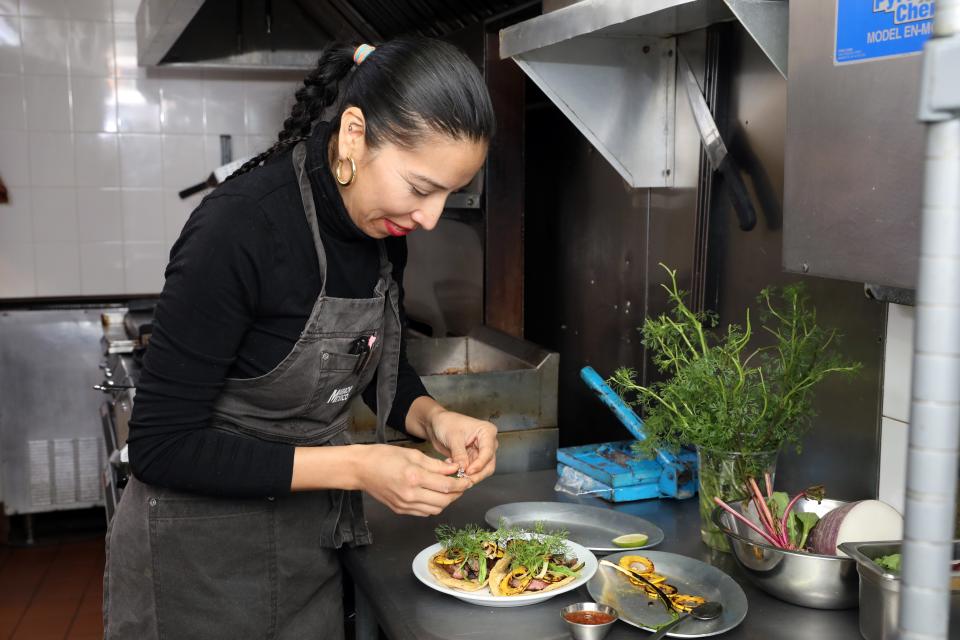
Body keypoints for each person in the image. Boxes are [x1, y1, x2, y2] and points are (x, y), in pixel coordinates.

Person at [103, 37, 499, 640]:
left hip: (303, 553)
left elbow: (370, 362)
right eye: (421, 189)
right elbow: (161, 446)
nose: (430, 219)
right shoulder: (242, 227)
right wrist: (360, 466)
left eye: (451, 194)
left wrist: (434, 418)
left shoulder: (381, 229)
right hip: (195, 570)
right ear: (353, 135)